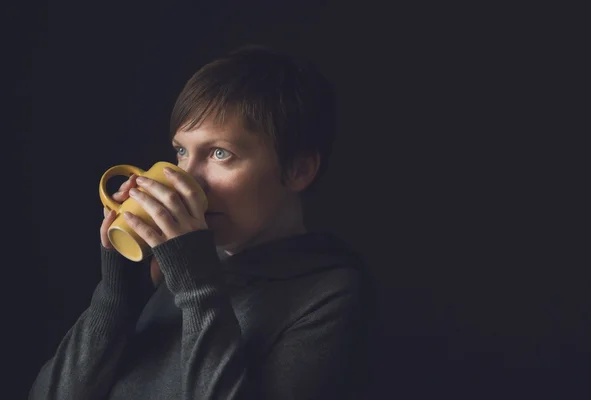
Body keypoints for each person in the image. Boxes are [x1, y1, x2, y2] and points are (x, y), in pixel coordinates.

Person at [29, 45, 376, 399]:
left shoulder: (330, 296)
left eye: (220, 154)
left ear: (299, 170)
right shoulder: (170, 270)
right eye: (181, 151)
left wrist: (196, 286)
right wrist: (119, 295)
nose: (188, 179)